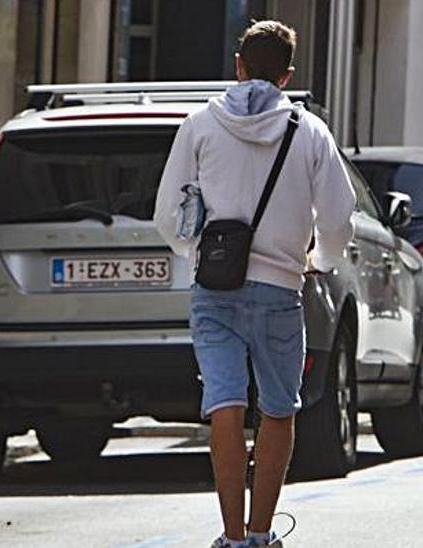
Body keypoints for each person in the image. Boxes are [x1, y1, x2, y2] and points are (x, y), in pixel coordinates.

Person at [152, 20, 356, 548]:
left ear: (238, 66)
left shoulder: (199, 124)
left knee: (224, 404)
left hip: (214, 289)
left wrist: (192, 251)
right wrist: (320, 259)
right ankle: (262, 534)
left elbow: (165, 213)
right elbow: (338, 214)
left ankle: (231, 536)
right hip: (281, 288)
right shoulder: (309, 132)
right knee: (278, 408)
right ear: (287, 76)